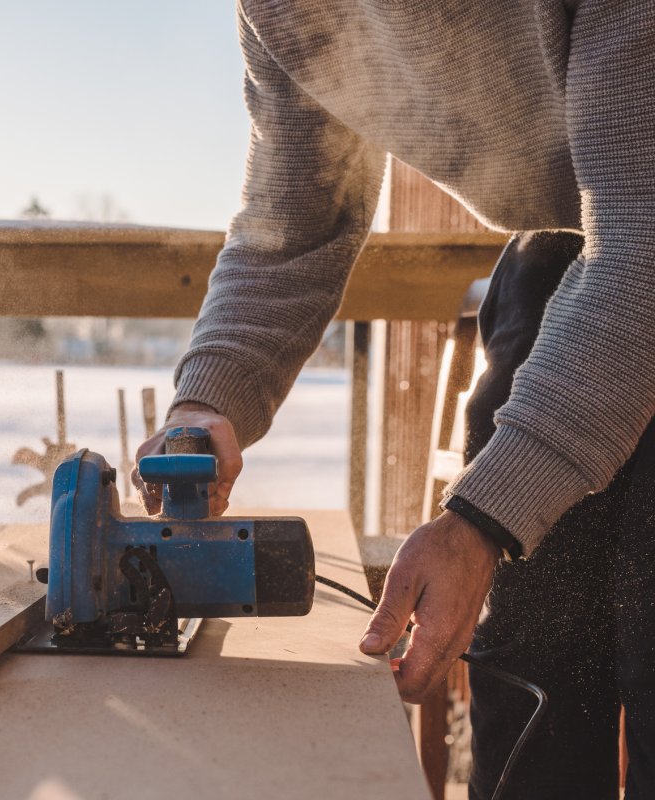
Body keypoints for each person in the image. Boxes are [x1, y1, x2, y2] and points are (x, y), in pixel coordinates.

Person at [131, 3, 655, 797]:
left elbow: (643, 240)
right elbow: (295, 226)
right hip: (561, 247)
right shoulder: (282, 9)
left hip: (641, 237)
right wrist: (206, 401)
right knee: (531, 689)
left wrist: (486, 518)